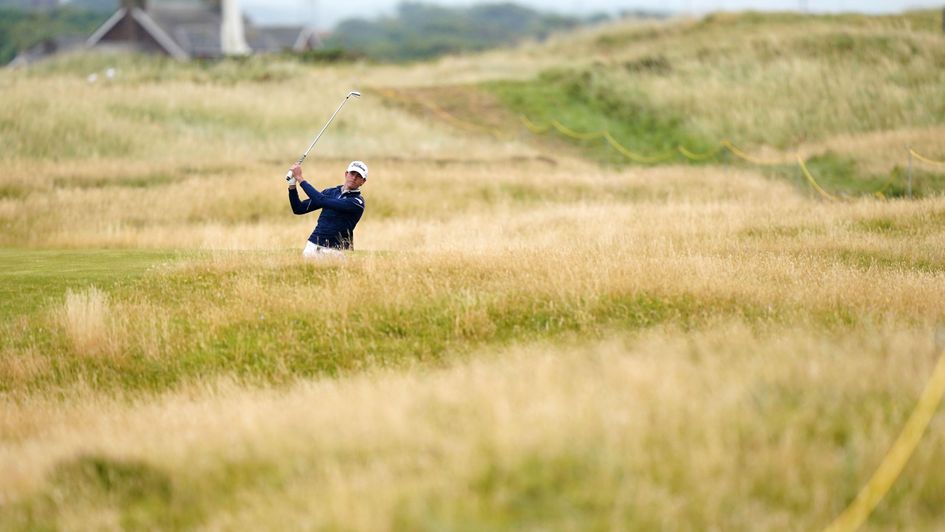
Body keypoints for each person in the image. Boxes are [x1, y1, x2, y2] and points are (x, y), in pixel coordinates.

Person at [288, 160, 367, 259]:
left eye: (359, 176)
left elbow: (322, 201)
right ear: (346, 174)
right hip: (313, 244)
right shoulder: (330, 192)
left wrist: (300, 179)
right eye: (352, 173)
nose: (354, 177)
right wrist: (292, 185)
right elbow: (298, 208)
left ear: (363, 181)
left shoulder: (357, 202)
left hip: (336, 251)